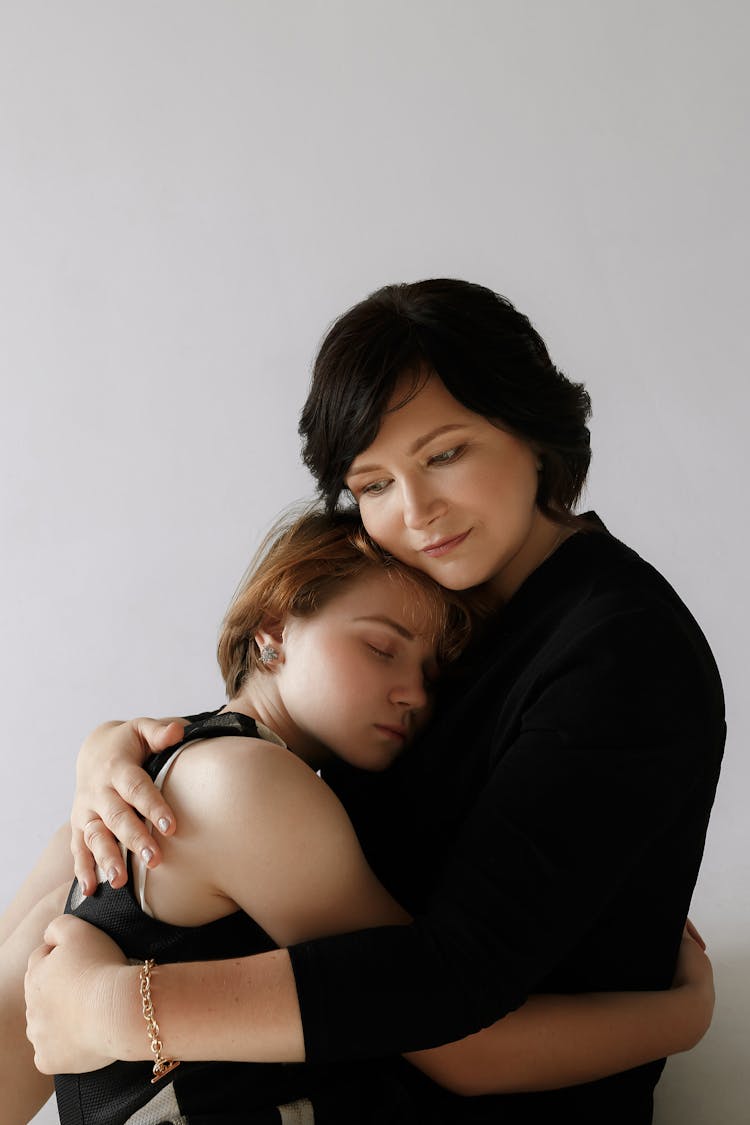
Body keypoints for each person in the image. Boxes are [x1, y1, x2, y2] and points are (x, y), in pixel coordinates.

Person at [24, 279, 725, 1124]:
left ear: (531, 430)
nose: (416, 511)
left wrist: (119, 1010)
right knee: (88, 846)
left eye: (443, 454)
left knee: (163, 832)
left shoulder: (620, 650)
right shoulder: (449, 604)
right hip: (365, 1048)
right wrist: (110, 750)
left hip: (462, 1085)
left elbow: (451, 988)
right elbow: (286, 717)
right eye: (374, 483)